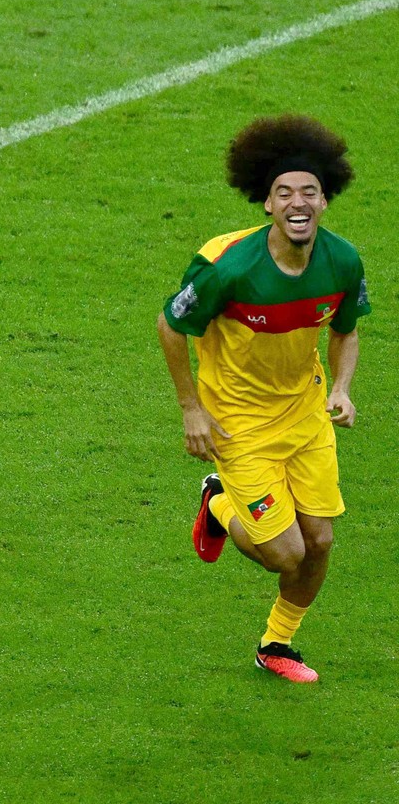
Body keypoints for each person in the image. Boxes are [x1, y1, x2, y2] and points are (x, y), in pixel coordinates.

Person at [157, 114, 368, 684]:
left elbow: (345, 329)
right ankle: (220, 504)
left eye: (309, 192)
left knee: (320, 541)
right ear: (268, 205)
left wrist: (343, 388)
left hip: (304, 413)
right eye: (284, 193)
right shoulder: (229, 267)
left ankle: (278, 644)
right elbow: (171, 325)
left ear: (325, 201)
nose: (298, 202)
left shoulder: (343, 261)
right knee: (285, 553)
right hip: (238, 423)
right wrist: (191, 410)